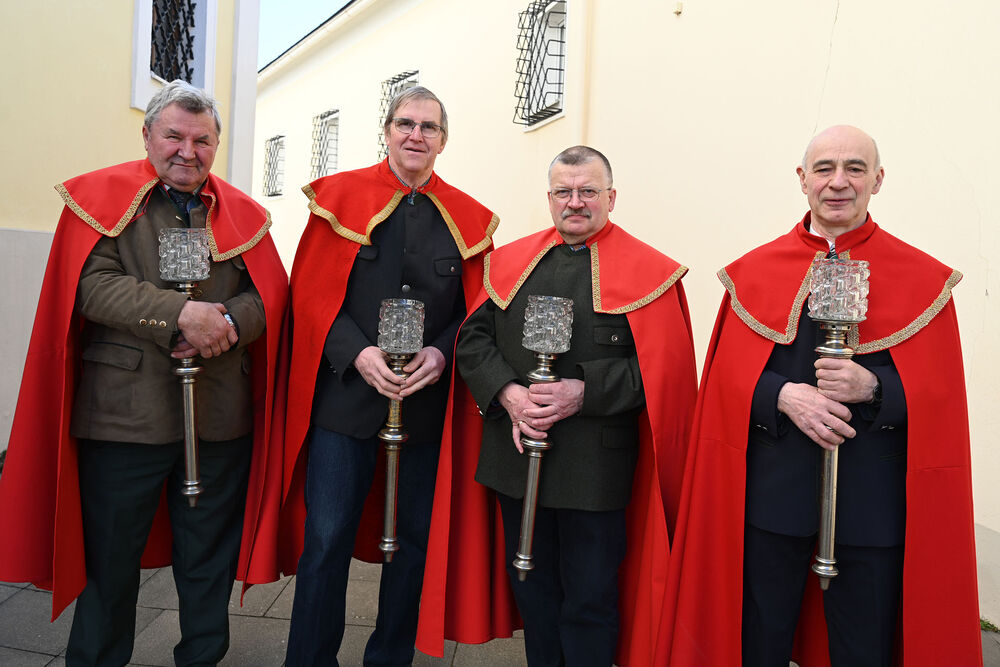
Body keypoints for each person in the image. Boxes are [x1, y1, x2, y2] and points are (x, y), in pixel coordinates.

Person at [662, 125, 982, 666]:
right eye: (824, 168)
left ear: (877, 180)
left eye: (855, 168)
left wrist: (873, 387)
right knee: (757, 645)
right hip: (772, 499)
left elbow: (940, 397)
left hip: (873, 506)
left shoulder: (924, 279)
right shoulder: (753, 272)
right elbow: (723, 382)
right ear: (802, 178)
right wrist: (784, 395)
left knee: (864, 651)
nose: (838, 182)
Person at [0, 80, 288, 666]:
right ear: (148, 136)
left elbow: (270, 296)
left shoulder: (243, 214)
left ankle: (201, 658)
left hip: (218, 418)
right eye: (174, 136)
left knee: (208, 563)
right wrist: (178, 314)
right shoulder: (100, 198)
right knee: (109, 565)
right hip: (123, 417)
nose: (188, 151)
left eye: (202, 141)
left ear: (216, 145)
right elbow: (90, 286)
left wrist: (226, 321)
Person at [415, 146, 698, 666]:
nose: (575, 202)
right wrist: (508, 393)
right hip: (516, 458)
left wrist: (583, 391)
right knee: (534, 593)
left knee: (590, 600)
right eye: (564, 192)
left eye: (588, 191)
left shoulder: (651, 271)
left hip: (596, 469)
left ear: (611, 197)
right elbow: (473, 341)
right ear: (549, 198)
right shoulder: (510, 263)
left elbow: (664, 374)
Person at [280, 86, 498, 666]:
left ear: (443, 141)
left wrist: (443, 354)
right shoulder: (338, 199)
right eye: (406, 123)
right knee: (326, 538)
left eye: (429, 127)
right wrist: (357, 353)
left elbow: (477, 314)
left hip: (426, 405)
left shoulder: (471, 219)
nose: (416, 135)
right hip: (346, 399)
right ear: (387, 130)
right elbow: (310, 295)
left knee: (414, 545)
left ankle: (390, 657)